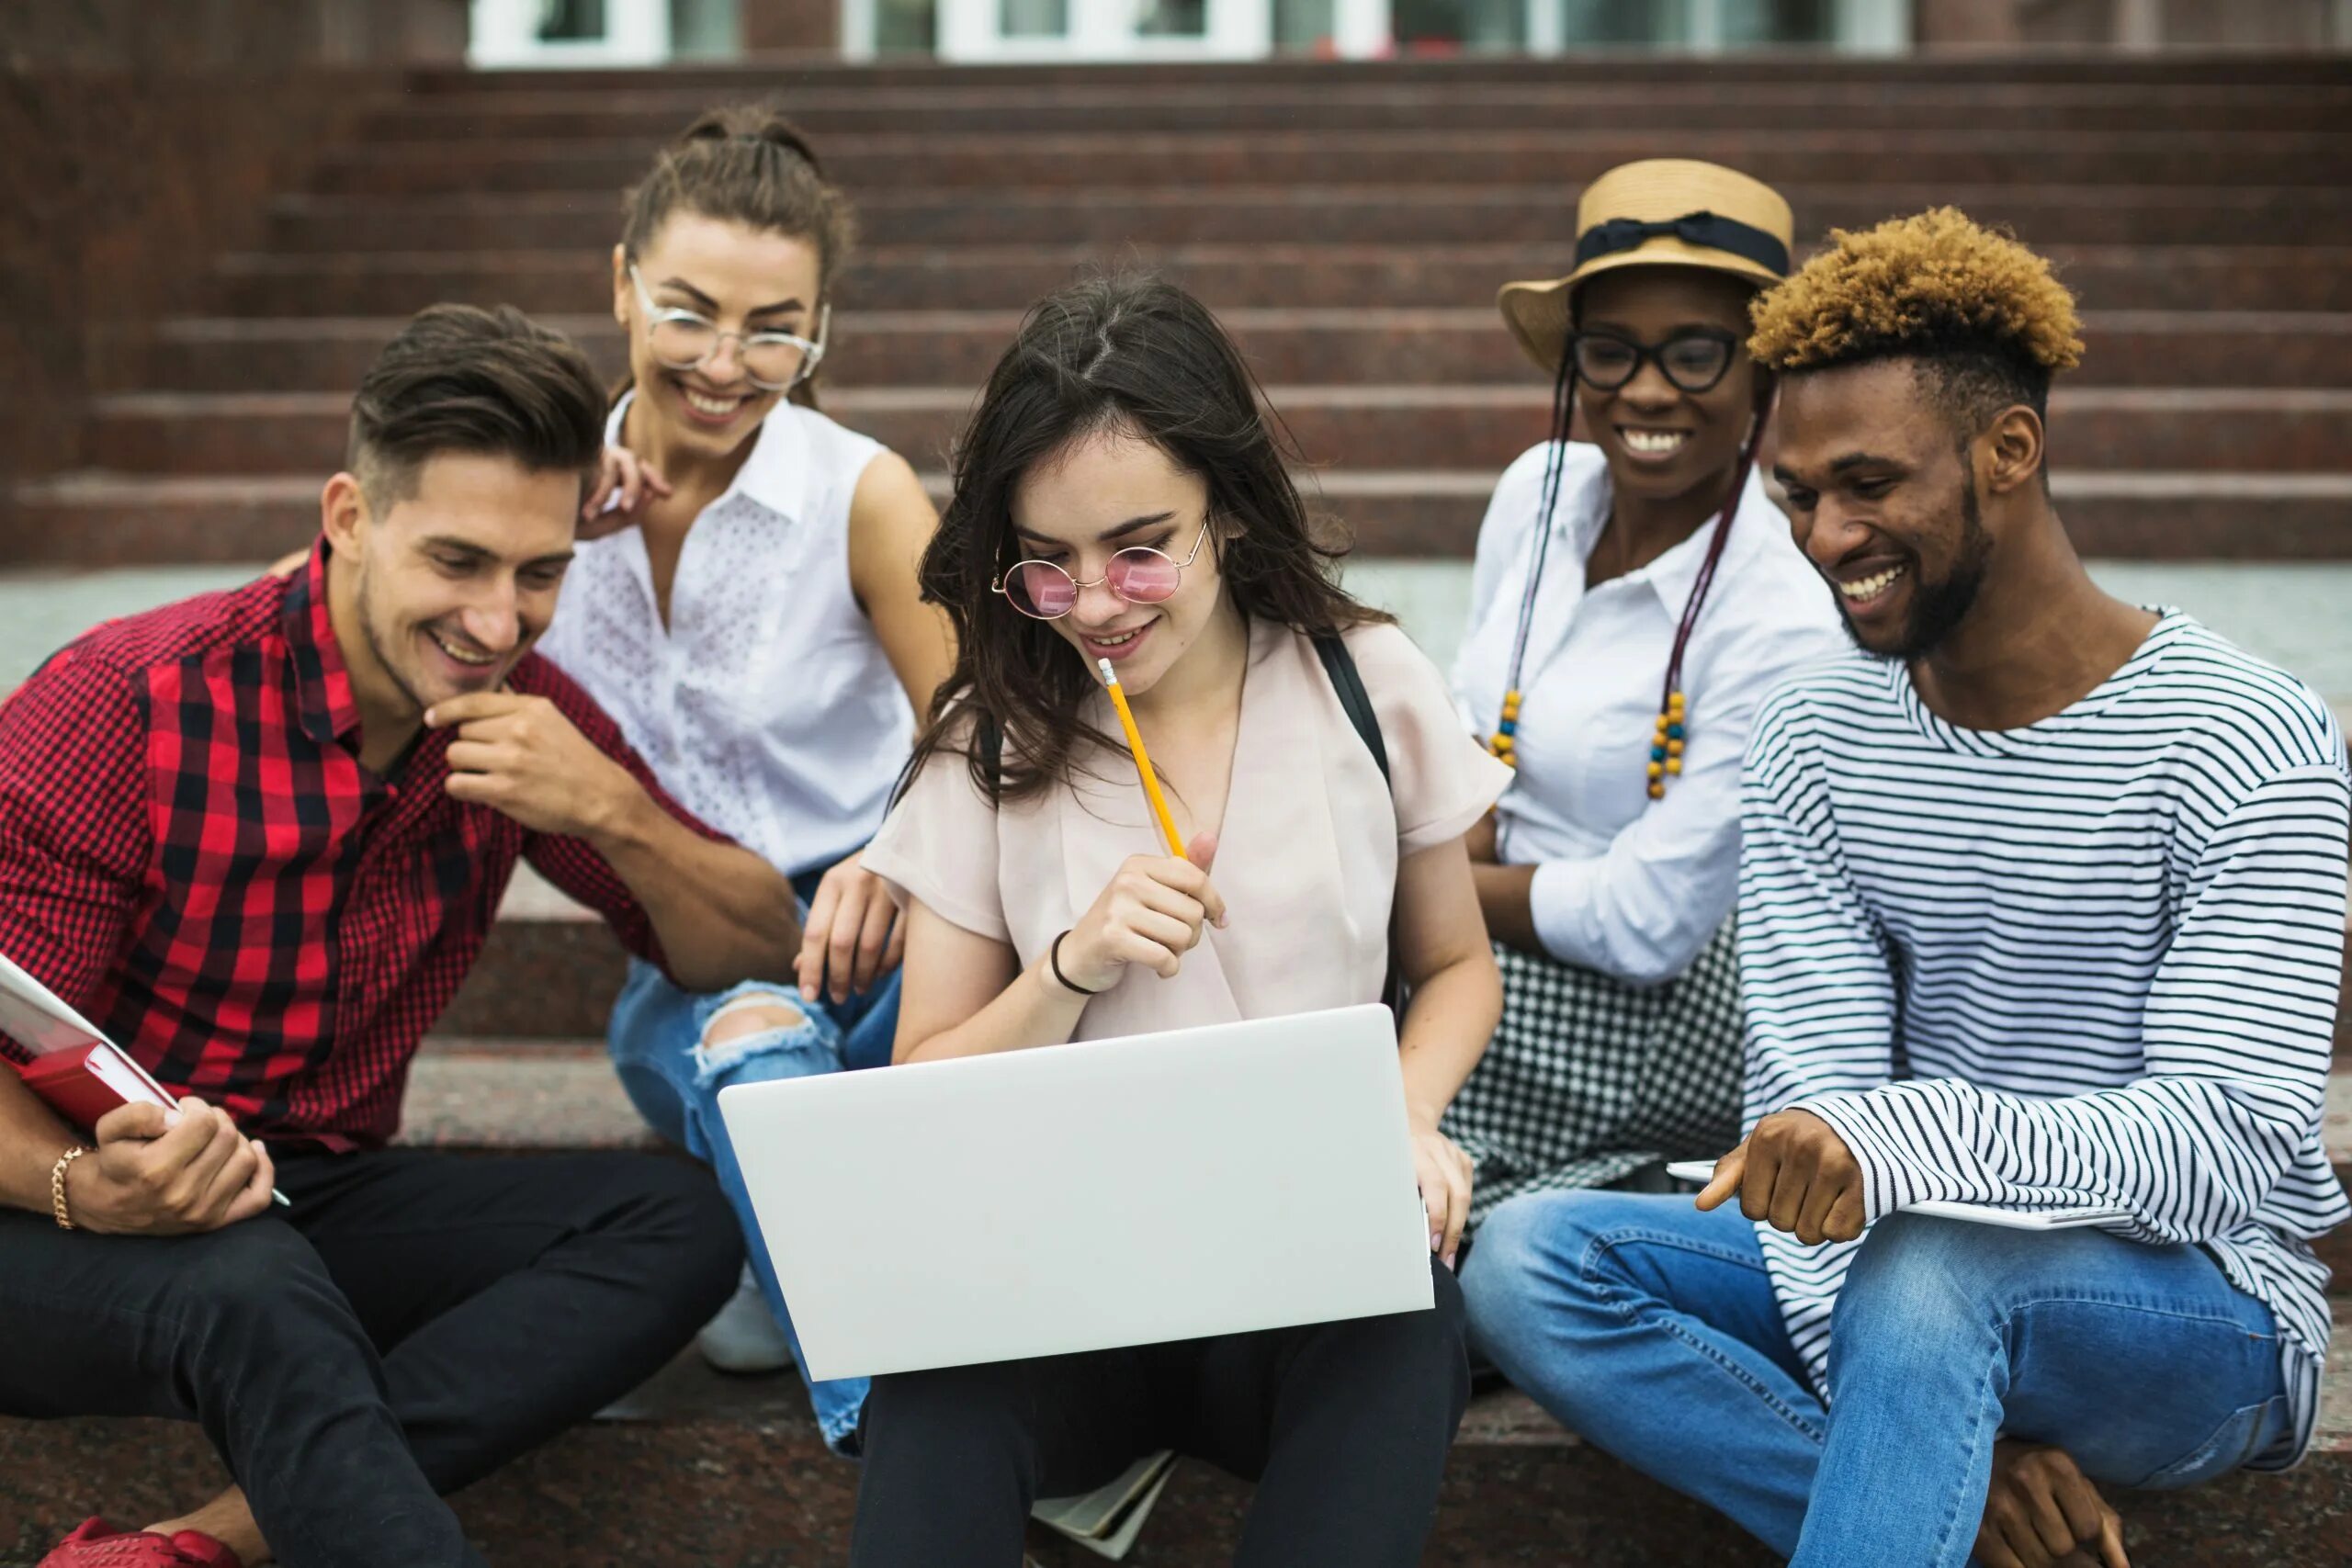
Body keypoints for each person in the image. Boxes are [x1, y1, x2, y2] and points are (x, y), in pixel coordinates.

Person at [1462, 209, 2349, 1568]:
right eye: (1798, 495)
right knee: (1529, 1256)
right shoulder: (1818, 736)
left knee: (1935, 1264)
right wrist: (1937, 1422)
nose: (1827, 535)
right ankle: (1928, 1491)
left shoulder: (2244, 735)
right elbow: (1803, 1119)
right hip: (1892, 1278)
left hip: (2198, 1309)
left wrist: (1901, 1152)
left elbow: (2229, 1137)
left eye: (1871, 484)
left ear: (2009, 452)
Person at [2, 304, 800, 1568]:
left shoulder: (519, 713)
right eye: (459, 561)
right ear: (349, 518)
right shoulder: (129, 705)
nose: (498, 619)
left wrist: (612, 809)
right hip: (55, 1219)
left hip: (300, 1189)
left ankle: (191, 1547)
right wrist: (81, 1185)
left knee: (682, 1218)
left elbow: (753, 941)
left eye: (540, 572)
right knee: (255, 1284)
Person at [846, 276, 1510, 1567]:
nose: (1096, 601)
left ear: (1230, 514)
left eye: (1142, 547)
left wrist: (1406, 1116)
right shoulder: (988, 744)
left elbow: (1455, 966)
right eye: (1048, 561)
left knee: (1408, 1317)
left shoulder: (1365, 683)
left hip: (1304, 1277)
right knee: (931, 1386)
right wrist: (1070, 964)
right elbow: (917, 1080)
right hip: (1072, 1285)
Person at [535, 105, 949, 1447]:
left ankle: (795, 1274)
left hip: (881, 937)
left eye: (776, 327)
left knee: (786, 1055)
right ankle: (909, 1415)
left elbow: (984, 729)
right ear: (620, 284)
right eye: (689, 313)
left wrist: (897, 856)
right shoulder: (535, 491)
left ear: (821, 327)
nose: (726, 363)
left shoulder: (862, 493)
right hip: (689, 953)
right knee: (746, 1036)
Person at [1445, 159, 1846, 1221]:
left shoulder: (1777, 613)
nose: (1647, 390)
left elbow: (1647, 920)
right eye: (1611, 352)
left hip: (1649, 1014)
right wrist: (1448, 849)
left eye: (1696, 352)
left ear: (1763, 371)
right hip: (1487, 934)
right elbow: (1467, 732)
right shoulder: (1536, 492)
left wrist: (1426, 890)